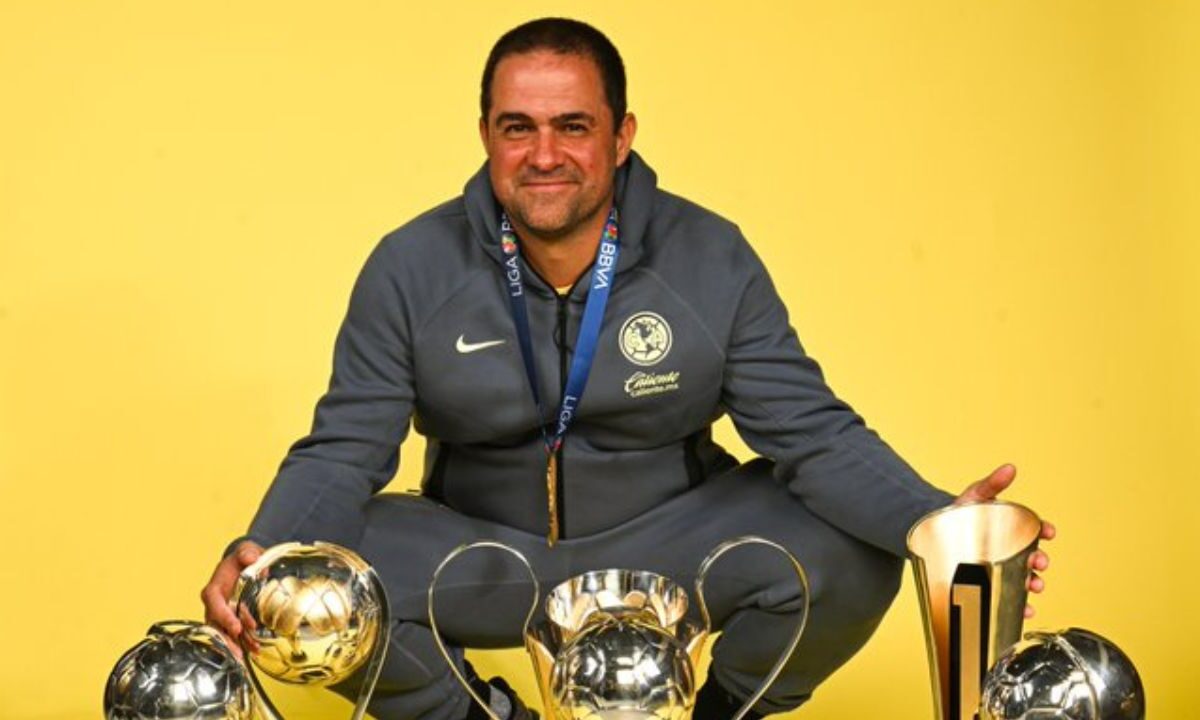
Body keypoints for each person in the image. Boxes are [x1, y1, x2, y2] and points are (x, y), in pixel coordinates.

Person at [201, 17, 1054, 720]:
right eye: (518, 128)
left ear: (620, 136)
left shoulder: (709, 258)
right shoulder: (409, 266)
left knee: (852, 549)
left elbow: (813, 434)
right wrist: (260, 550)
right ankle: (473, 718)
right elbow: (346, 446)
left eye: (572, 126)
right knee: (298, 584)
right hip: (484, 555)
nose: (544, 154)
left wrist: (939, 525)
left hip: (671, 553)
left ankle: (721, 715)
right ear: (487, 137)